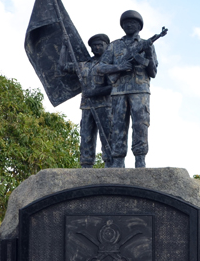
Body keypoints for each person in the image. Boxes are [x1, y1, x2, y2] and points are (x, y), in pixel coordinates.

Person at [99, 10, 158, 168]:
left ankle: (140, 160)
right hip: (118, 91)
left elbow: (153, 72)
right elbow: (101, 67)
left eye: (133, 22)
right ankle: (118, 161)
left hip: (140, 90)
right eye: (126, 23)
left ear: (139, 26)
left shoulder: (147, 44)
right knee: (117, 126)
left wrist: (147, 55)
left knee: (140, 124)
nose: (129, 25)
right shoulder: (114, 46)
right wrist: (119, 67)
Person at [59, 34, 113, 168]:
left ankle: (110, 164)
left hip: (104, 106)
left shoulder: (110, 65)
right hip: (87, 107)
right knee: (86, 136)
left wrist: (94, 92)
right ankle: (86, 164)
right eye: (94, 45)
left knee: (107, 136)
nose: (97, 47)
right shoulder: (83, 65)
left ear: (107, 47)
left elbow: (113, 86)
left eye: (100, 44)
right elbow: (63, 66)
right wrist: (65, 46)